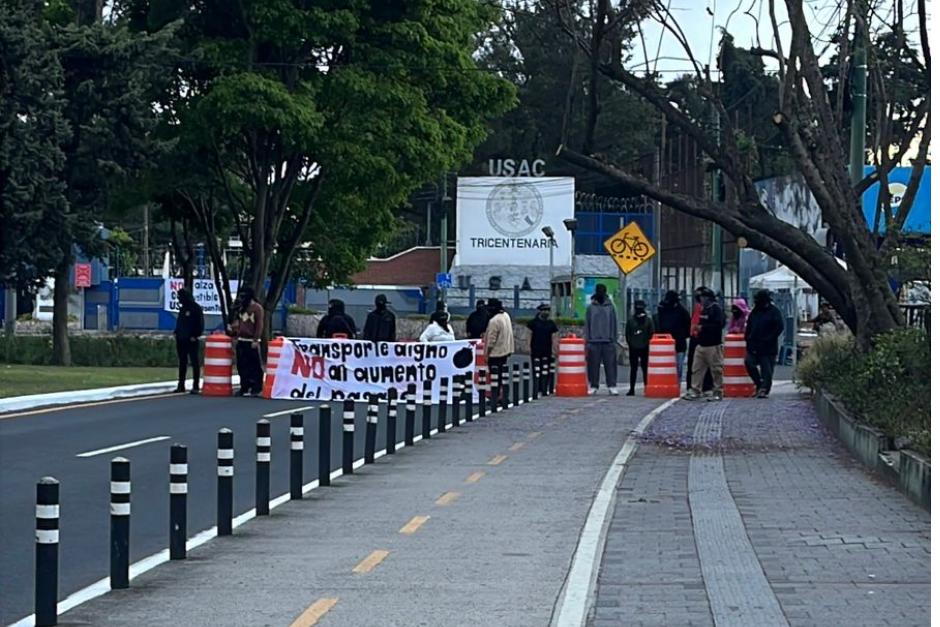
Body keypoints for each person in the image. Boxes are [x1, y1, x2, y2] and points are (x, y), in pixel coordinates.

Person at [683, 287, 725, 401]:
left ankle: (718, 391)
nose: (701, 300)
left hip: (713, 344)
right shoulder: (703, 310)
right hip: (701, 344)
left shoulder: (716, 309)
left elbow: (719, 325)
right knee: (696, 369)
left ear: (708, 298)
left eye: (703, 297)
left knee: (716, 370)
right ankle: (695, 390)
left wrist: (703, 327)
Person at [745, 289, 785, 398]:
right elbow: (749, 326)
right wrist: (748, 338)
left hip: (768, 346)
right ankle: (758, 384)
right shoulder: (755, 311)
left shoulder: (774, 311)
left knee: (766, 369)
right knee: (749, 362)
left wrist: (769, 338)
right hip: (753, 344)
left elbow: (779, 327)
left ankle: (764, 389)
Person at [228, 287, 265, 397]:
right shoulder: (242, 308)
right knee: (242, 365)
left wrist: (256, 339)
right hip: (241, 339)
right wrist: (233, 330)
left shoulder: (257, 308)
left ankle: (256, 387)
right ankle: (244, 386)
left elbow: (259, 325)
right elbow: (240, 323)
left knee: (254, 365)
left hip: (251, 340)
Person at [585, 283, 618, 395]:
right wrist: (588, 340)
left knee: (610, 365)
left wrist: (614, 339)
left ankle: (612, 385)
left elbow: (614, 324)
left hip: (608, 341)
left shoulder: (610, 307)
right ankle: (593, 385)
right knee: (593, 365)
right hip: (593, 341)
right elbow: (587, 325)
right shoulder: (590, 308)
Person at [173, 287, 204, 394]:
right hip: (181, 339)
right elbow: (180, 323)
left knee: (195, 362)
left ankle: (196, 386)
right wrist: (177, 332)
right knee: (182, 362)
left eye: (180, 297)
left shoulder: (196, 308)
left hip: (191, 339)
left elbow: (200, 324)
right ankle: (181, 385)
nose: (179, 299)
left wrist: (195, 335)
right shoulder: (183, 308)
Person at [655, 290, 691, 380]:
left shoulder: (681, 311)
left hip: (678, 342)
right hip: (667, 342)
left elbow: (688, 325)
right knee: (669, 367)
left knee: (678, 367)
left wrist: (683, 335)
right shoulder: (663, 308)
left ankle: (676, 385)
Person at [483, 298, 514, 401]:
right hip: (505, 350)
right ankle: (503, 395)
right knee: (502, 375)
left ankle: (496, 397)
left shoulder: (494, 321)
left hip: (495, 353)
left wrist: (487, 354)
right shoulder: (506, 316)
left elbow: (491, 340)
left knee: (495, 376)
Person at [624, 299, 654, 396]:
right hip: (640, 347)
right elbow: (628, 334)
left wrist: (631, 343)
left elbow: (628, 334)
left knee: (638, 369)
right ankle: (636, 388)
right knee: (638, 369)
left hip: (639, 347)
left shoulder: (633, 320)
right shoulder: (646, 320)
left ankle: (639, 388)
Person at [686, 287, 713, 392]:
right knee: (695, 364)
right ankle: (694, 386)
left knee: (706, 364)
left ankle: (704, 386)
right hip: (696, 337)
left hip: (704, 338)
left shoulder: (710, 309)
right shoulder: (698, 308)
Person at [527, 303, 559, 395]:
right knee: (536, 369)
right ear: (540, 311)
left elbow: (554, 337)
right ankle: (537, 387)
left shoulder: (551, 324)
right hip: (536, 349)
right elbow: (529, 335)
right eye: (544, 310)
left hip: (547, 350)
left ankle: (545, 387)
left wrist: (555, 349)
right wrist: (528, 347)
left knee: (546, 370)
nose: (546, 312)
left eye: (548, 310)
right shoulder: (533, 323)